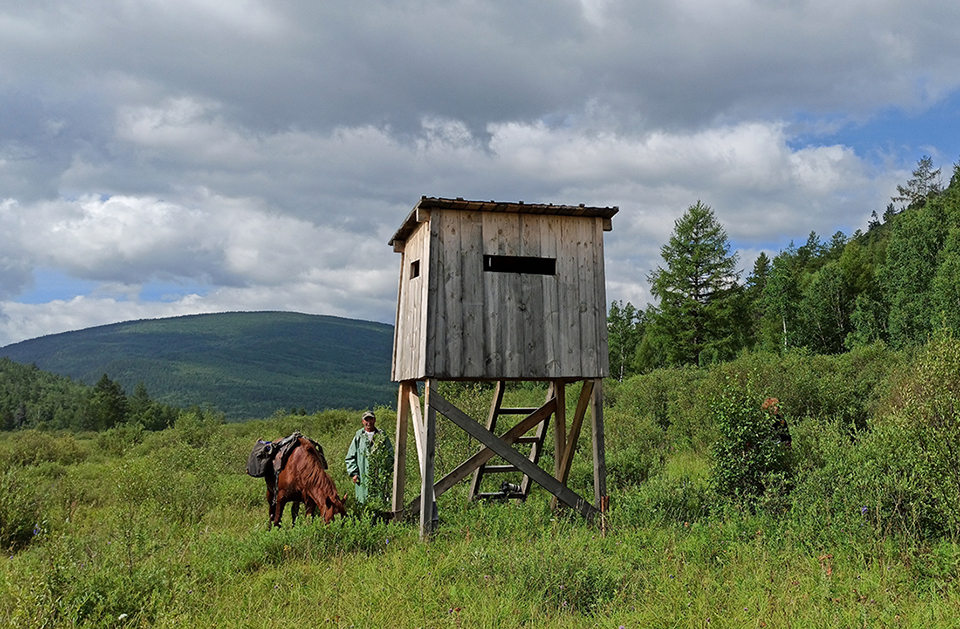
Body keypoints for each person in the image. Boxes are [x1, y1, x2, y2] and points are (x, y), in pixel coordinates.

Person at [344, 410, 395, 508]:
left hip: (379, 476)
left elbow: (390, 454)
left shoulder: (382, 436)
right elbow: (350, 457)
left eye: (371, 419)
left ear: (374, 420)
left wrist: (386, 470)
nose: (369, 422)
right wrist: (354, 473)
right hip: (362, 476)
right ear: (362, 422)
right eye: (366, 420)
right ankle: (365, 520)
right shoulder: (359, 437)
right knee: (363, 502)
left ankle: (380, 520)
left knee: (380, 501)